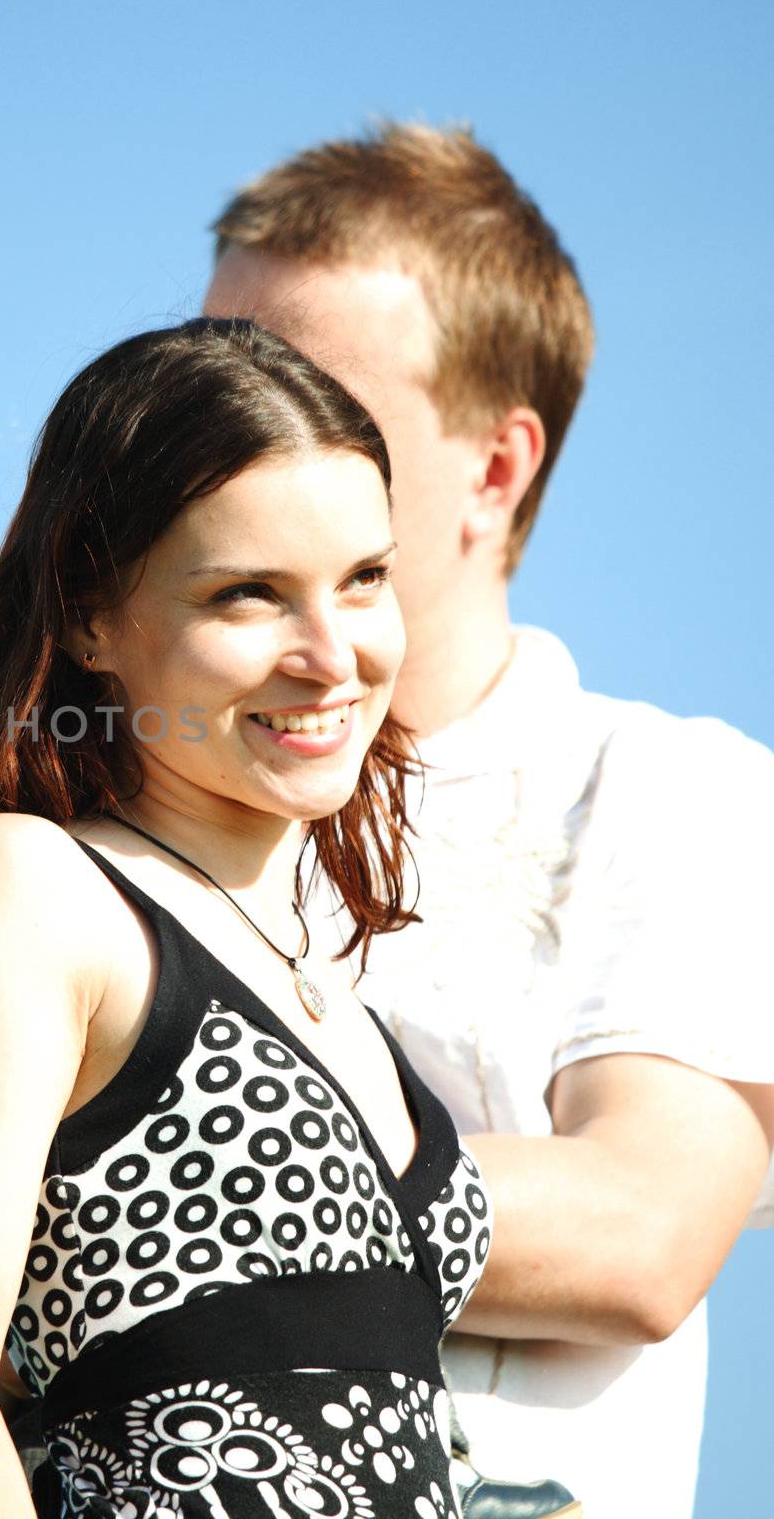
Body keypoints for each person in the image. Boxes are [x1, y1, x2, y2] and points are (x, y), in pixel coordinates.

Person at [201, 123, 774, 1516]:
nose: (220, 448)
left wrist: (154, 1167)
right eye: (202, 385)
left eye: (307, 399)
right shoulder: (101, 806)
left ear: (497, 469)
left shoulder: (673, 789)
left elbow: (636, 1235)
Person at [0, 318, 498, 1518]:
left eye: (364, 578)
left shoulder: (315, 966)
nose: (329, 653)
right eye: (247, 595)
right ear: (93, 616)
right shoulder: (31, 889)